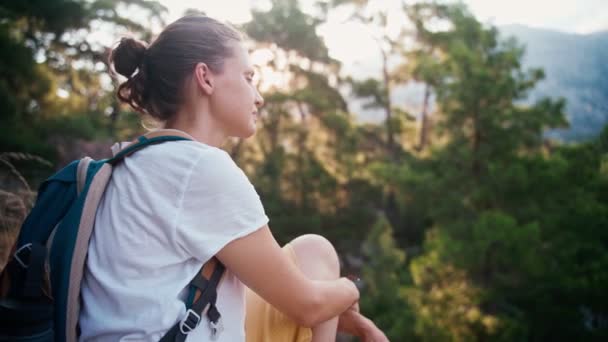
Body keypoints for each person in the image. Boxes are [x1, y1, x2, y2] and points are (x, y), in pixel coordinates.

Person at [78, 14, 389, 342]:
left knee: (313, 252)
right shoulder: (199, 168)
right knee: (321, 272)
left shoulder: (135, 159)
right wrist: (350, 289)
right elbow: (309, 307)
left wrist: (335, 309)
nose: (259, 96)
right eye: (248, 76)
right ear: (205, 78)